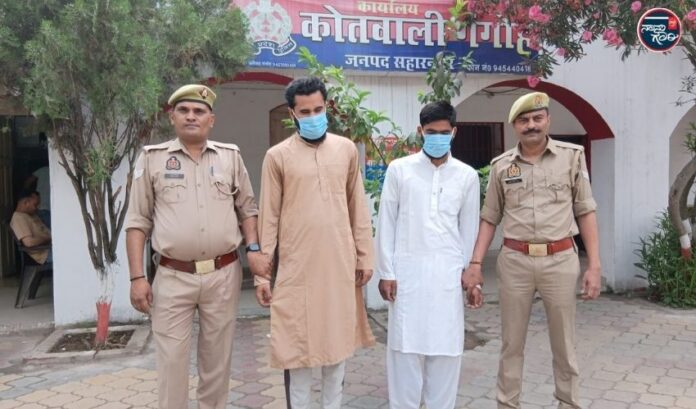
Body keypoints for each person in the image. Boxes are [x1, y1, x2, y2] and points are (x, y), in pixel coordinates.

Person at [125, 84, 270, 409]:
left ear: (211, 120)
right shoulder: (153, 159)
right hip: (172, 276)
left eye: (199, 111)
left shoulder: (230, 157)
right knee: (171, 363)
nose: (191, 116)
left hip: (223, 274)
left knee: (217, 362)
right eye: (184, 110)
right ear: (172, 117)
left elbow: (248, 210)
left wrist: (254, 249)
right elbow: (138, 222)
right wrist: (137, 278)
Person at [462, 92, 602, 409]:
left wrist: (594, 265)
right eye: (524, 120)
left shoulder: (572, 157)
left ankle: (568, 403)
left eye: (537, 118)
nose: (531, 125)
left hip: (560, 260)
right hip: (515, 262)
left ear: (548, 120)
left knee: (564, 344)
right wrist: (475, 263)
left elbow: (586, 211)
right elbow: (489, 217)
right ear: (515, 126)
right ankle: (507, 404)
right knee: (511, 344)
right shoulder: (501, 166)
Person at [254, 76, 375, 409]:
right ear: (292, 114)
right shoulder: (277, 156)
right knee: (297, 352)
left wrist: (365, 256)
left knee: (337, 351)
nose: (313, 117)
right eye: (305, 112)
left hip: (339, 266)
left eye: (318, 110)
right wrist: (263, 275)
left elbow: (357, 206)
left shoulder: (346, 149)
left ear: (327, 108)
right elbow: (269, 217)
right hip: (297, 271)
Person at [374, 101, 480, 409]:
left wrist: (471, 278)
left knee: (446, 351)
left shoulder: (466, 176)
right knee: (404, 351)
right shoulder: (400, 170)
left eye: (444, 132)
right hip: (407, 276)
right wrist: (386, 272)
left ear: (454, 132)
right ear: (420, 131)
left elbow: (469, 229)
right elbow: (387, 223)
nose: (438, 138)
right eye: (431, 132)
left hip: (448, 276)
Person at [10, 190, 52, 264]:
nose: (37, 207)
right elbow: (29, 243)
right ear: (26, 202)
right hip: (45, 253)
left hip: (50, 247)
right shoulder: (18, 218)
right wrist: (48, 238)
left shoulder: (31, 214)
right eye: (35, 205)